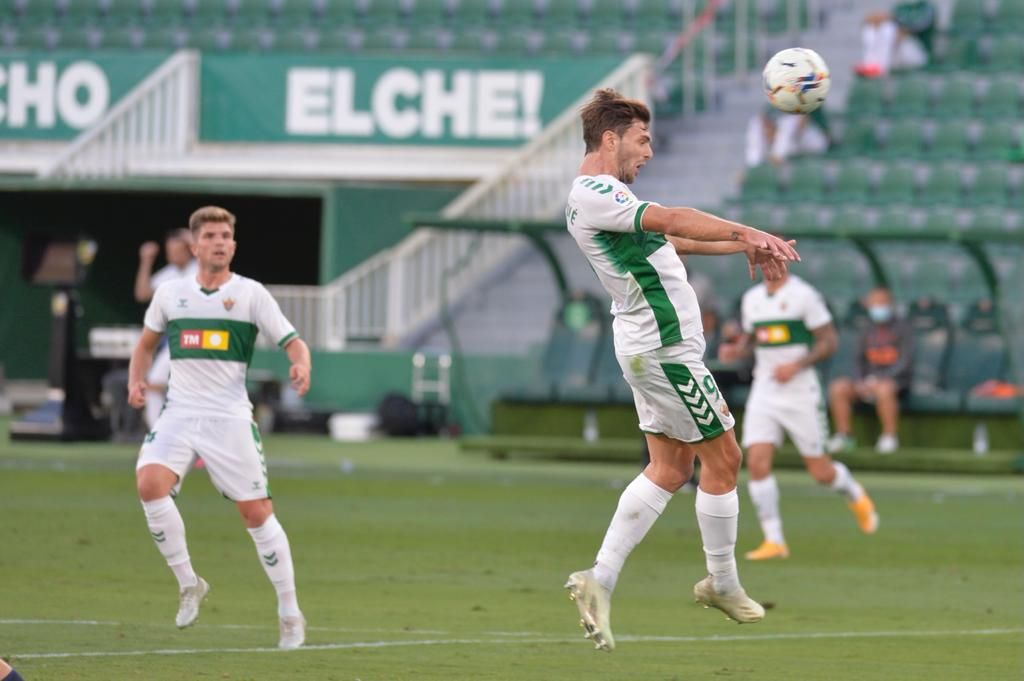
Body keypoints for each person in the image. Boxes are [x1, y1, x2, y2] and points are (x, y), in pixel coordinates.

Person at [562, 88, 800, 652]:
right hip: (666, 351)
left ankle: (601, 579)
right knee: (725, 458)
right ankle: (721, 582)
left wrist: (738, 247)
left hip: (648, 349)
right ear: (611, 138)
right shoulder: (596, 191)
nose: (648, 152)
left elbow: (669, 240)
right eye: (643, 141)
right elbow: (671, 217)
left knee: (669, 468)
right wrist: (747, 232)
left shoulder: (601, 197)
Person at [127, 206, 312, 649]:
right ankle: (190, 583)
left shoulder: (251, 295)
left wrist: (301, 362)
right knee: (149, 484)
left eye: (226, 235)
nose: (220, 242)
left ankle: (289, 609)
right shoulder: (171, 294)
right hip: (180, 411)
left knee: (256, 513)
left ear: (234, 244)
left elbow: (292, 340)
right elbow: (145, 345)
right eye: (210, 235)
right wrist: (137, 379)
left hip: (229, 417)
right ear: (195, 246)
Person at [717, 271, 878, 561]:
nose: (768, 260)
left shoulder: (805, 295)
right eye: (762, 254)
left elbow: (829, 342)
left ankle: (853, 491)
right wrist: (738, 350)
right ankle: (774, 539)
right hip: (765, 388)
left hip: (800, 391)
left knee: (821, 473)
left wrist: (797, 365)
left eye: (774, 254)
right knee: (756, 462)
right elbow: (756, 338)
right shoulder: (752, 299)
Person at [826, 287, 913, 455]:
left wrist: (878, 380)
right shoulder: (866, 329)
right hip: (866, 382)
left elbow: (905, 362)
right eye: (874, 303)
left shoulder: (903, 328)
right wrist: (861, 381)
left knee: (884, 388)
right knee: (838, 387)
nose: (878, 307)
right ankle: (845, 436)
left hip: (896, 382)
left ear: (891, 304)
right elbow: (858, 360)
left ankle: (889, 437)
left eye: (882, 302)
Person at [134, 228, 198, 427]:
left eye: (177, 250)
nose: (172, 255)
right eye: (169, 250)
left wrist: (193, 241)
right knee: (154, 384)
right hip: (177, 339)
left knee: (198, 392)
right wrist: (146, 260)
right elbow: (142, 294)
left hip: (200, 336)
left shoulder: (201, 268)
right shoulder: (169, 273)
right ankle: (159, 434)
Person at [855, 2, 934, 78]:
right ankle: (871, 64)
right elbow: (891, 19)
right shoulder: (901, 7)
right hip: (896, 52)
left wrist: (900, 30)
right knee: (874, 27)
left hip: (917, 53)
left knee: (888, 29)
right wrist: (877, 19)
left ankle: (879, 68)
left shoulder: (927, 8)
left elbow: (919, 26)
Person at [745, 105, 832, 168]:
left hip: (814, 143)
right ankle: (753, 168)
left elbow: (804, 117)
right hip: (791, 148)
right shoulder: (765, 123)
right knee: (756, 122)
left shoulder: (787, 122)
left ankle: (776, 156)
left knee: (788, 123)